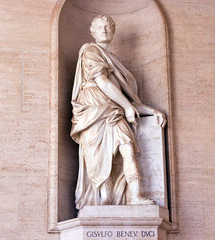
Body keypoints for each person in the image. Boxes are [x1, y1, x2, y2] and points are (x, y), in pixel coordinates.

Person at [70, 15, 166, 210]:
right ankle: (105, 200)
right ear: (93, 32)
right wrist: (128, 107)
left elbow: (125, 99)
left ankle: (136, 196)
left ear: (113, 31)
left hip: (115, 109)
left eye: (108, 26)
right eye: (100, 27)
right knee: (99, 157)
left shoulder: (114, 62)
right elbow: (102, 82)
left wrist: (151, 111)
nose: (104, 30)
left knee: (128, 149)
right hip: (93, 110)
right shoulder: (90, 51)